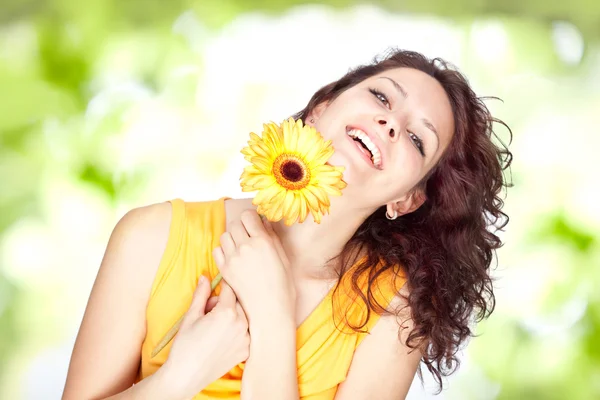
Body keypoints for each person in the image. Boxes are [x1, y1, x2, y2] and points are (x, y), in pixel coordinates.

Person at [62, 48, 512, 400]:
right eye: (381, 96)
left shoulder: (391, 313)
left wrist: (273, 313)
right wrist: (179, 378)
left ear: (407, 198)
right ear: (321, 107)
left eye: (417, 138)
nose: (390, 123)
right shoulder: (150, 236)